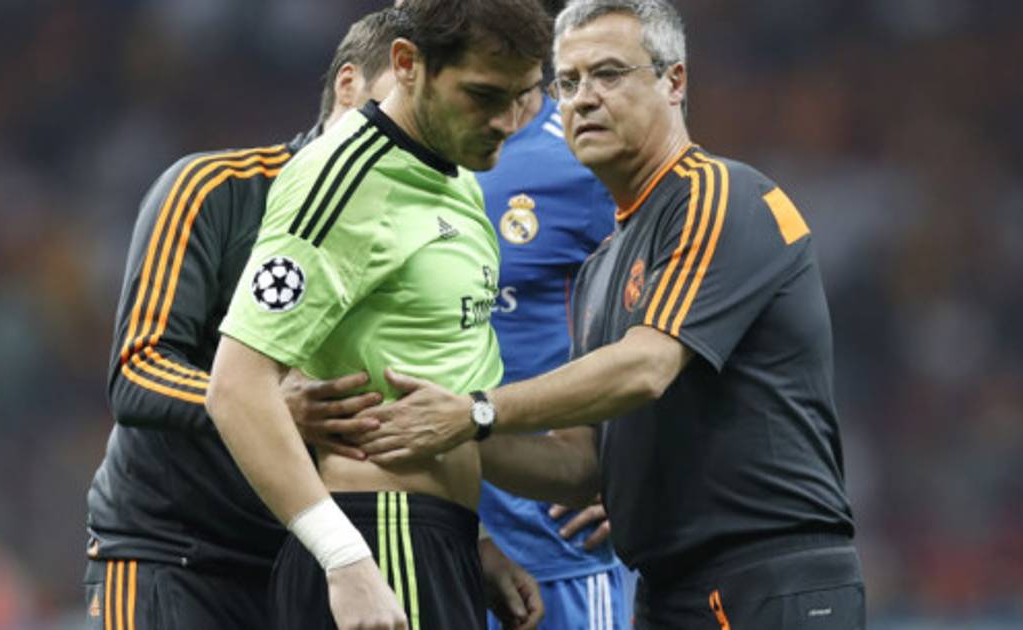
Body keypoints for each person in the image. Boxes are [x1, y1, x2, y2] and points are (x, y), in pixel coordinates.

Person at [349, 1, 867, 627]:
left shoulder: (717, 193)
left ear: (674, 81)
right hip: (667, 588)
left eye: (610, 73)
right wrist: (448, 433)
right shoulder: (601, 267)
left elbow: (647, 367)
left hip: (766, 574)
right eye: (568, 82)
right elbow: (578, 467)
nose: (584, 99)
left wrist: (476, 409)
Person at [84, 10, 535, 629]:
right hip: (175, 551)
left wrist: (473, 541)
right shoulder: (213, 189)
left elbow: (399, 391)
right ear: (350, 85)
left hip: (306, 548)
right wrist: (274, 405)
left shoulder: (425, 201)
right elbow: (138, 369)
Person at [204, 1, 552, 629]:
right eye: (483, 95)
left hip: (434, 541)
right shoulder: (345, 178)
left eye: (522, 96)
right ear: (407, 64)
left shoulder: (453, 173)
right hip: (382, 539)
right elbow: (235, 387)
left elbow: (425, 369)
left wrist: (474, 545)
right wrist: (347, 561)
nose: (506, 122)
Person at [473, 53, 632, 630]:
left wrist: (640, 472)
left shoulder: (580, 160)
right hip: (434, 540)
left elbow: (673, 325)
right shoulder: (398, 166)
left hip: (554, 547)